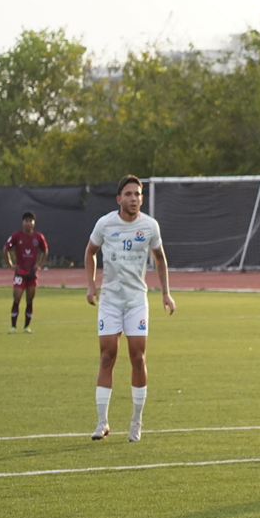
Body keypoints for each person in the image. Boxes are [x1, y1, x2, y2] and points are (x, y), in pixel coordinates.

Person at [85, 177, 175, 442]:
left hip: (136, 301)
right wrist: (91, 285)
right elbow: (90, 252)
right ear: (119, 199)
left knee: (138, 358)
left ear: (142, 198)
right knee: (106, 357)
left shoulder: (149, 226)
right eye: (128, 194)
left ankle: (136, 421)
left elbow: (160, 258)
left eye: (137, 194)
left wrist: (166, 293)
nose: (133, 198)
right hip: (111, 302)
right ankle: (102, 422)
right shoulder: (105, 224)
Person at [6, 212, 50, 333]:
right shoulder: (16, 236)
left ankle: (26, 326)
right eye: (26, 221)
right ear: (23, 223)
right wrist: (10, 265)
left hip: (32, 273)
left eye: (30, 221)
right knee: (17, 298)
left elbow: (45, 250)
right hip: (20, 272)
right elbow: (6, 249)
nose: (28, 223)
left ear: (34, 223)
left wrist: (39, 265)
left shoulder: (38, 237)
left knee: (30, 300)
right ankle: (13, 326)